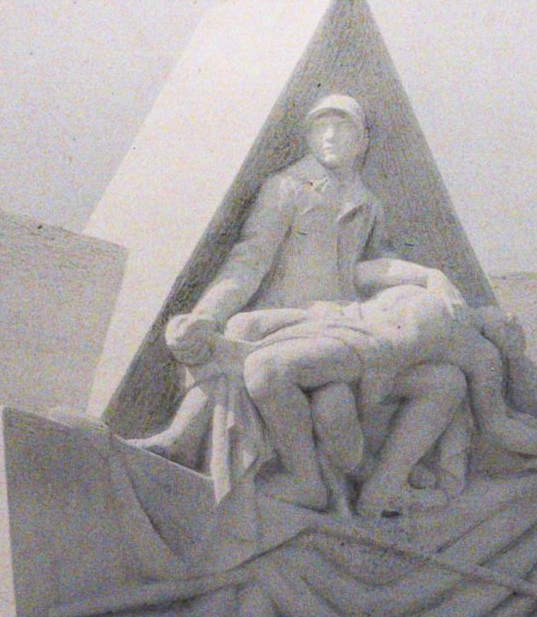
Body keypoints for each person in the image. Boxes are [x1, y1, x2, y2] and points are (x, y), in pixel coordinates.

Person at [130, 93, 461, 469]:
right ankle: (180, 439)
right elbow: (249, 260)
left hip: (335, 324)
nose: (331, 136)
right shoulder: (286, 187)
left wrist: (430, 276)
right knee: (237, 331)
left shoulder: (368, 203)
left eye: (342, 126)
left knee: (334, 405)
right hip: (286, 317)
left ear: (362, 140)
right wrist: (207, 314)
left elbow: (370, 268)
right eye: (322, 127)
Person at [180, 273, 537, 513]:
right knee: (241, 326)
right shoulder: (434, 289)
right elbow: (367, 270)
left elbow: (497, 423)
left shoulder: (481, 354)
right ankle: (183, 436)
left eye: (517, 333)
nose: (513, 319)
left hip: (368, 354)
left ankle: (306, 480)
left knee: (265, 369)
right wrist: (435, 277)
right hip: (331, 320)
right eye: (510, 318)